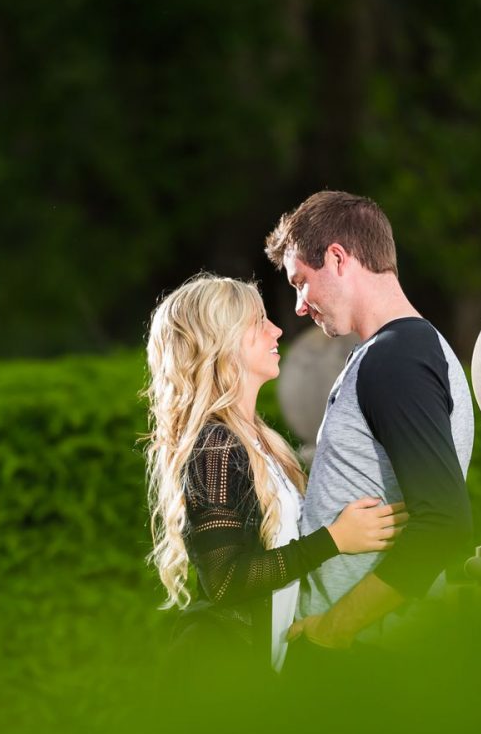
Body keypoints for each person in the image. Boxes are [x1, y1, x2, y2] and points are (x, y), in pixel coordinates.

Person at [141, 273, 409, 675]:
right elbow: (226, 580)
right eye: (258, 322)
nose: (277, 330)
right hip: (217, 676)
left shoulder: (258, 441)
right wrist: (334, 540)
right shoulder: (215, 446)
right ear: (223, 342)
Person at [264, 190, 474, 654]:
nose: (300, 305)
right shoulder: (397, 352)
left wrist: (334, 627)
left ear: (338, 258)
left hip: (363, 656)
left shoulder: (396, 359)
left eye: (301, 281)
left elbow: (445, 522)